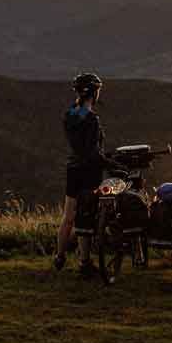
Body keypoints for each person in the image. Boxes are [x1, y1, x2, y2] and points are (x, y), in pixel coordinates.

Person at [54, 72, 118, 276]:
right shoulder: (91, 119)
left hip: (73, 169)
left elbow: (80, 147)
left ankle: (59, 256)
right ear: (94, 93)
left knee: (69, 215)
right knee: (86, 216)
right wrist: (111, 163)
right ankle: (84, 261)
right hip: (90, 171)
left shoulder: (70, 114)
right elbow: (92, 152)